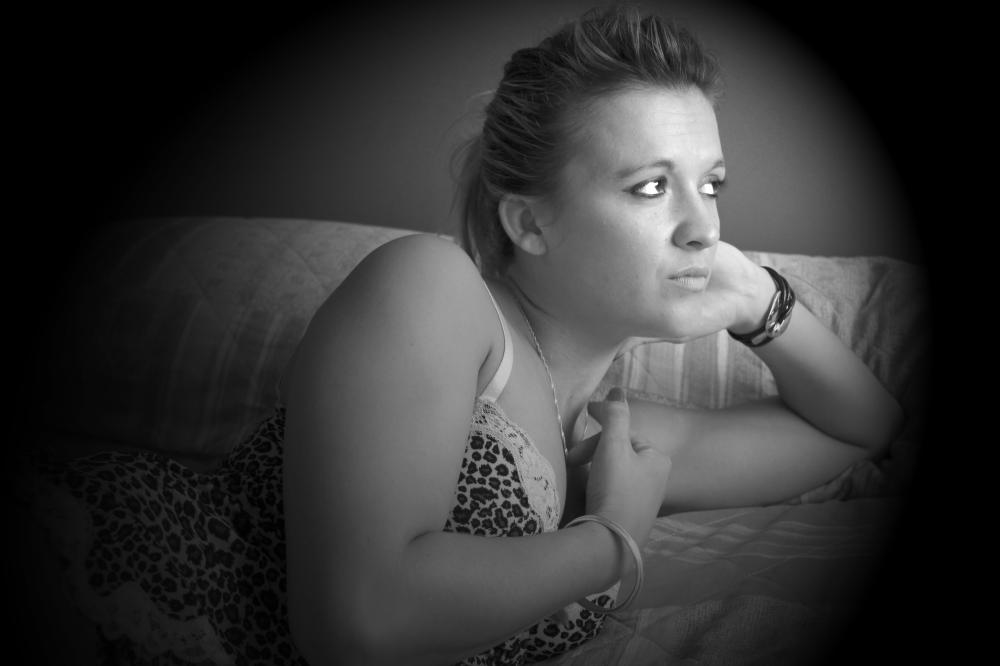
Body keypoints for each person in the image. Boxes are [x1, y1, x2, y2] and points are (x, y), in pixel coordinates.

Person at [26, 5, 903, 666]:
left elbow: (861, 428)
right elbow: (354, 626)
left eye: (711, 185)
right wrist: (610, 539)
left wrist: (759, 298)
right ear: (529, 223)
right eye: (649, 187)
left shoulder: (621, 441)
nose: (702, 226)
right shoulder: (434, 288)